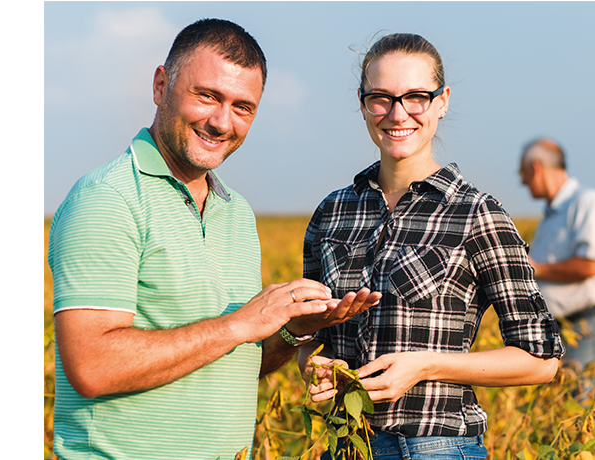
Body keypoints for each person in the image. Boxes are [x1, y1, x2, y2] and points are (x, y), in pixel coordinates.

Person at [47, 19, 380, 459]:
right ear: (161, 85)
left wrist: (292, 331)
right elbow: (92, 366)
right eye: (207, 96)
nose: (222, 121)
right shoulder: (108, 199)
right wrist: (239, 323)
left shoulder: (236, 212)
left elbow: (230, 362)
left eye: (243, 107)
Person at [297, 33, 562, 459]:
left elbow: (541, 359)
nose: (397, 113)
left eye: (416, 97)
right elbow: (310, 329)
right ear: (362, 102)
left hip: (433, 448)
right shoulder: (333, 212)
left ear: (442, 101)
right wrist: (312, 360)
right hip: (344, 447)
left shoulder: (476, 213)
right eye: (380, 97)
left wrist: (426, 365)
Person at [518, 138, 595, 385]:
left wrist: (534, 268)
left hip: (584, 328)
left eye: (523, 172)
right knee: (566, 412)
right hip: (558, 330)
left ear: (536, 168)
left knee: (589, 411)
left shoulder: (588, 202)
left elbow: (590, 265)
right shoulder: (553, 213)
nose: (522, 181)